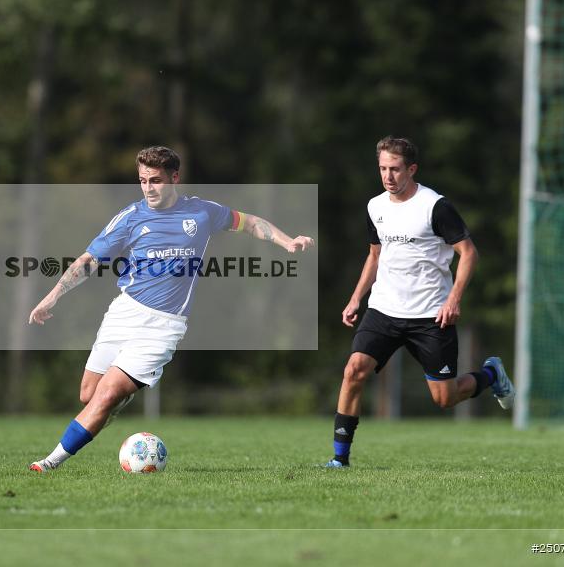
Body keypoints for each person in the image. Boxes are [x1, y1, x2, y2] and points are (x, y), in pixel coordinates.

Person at [27, 145, 315, 472]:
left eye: (156, 180)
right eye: (143, 180)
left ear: (174, 178)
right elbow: (89, 260)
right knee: (88, 395)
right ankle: (119, 398)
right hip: (124, 312)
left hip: (163, 327)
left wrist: (287, 241)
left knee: (105, 395)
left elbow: (249, 223)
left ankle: (49, 463)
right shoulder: (130, 217)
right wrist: (53, 296)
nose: (148, 188)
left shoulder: (202, 213)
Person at [325, 136, 514, 468]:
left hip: (430, 315)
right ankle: (340, 460)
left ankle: (490, 374)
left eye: (395, 169)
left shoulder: (435, 206)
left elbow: (469, 253)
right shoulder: (375, 207)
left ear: (411, 169)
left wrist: (453, 299)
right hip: (384, 309)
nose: (388, 176)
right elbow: (374, 256)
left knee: (445, 398)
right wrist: (356, 298)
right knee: (354, 370)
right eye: (383, 169)